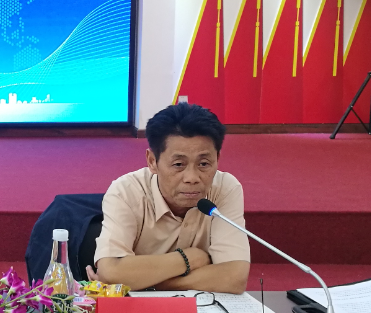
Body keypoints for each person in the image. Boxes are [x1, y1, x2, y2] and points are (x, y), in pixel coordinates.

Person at [88, 103, 250, 294]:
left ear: (218, 159)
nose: (192, 178)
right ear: (152, 161)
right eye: (178, 164)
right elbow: (111, 272)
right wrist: (189, 258)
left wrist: (148, 284)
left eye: (204, 164)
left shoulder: (225, 189)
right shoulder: (126, 191)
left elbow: (234, 278)